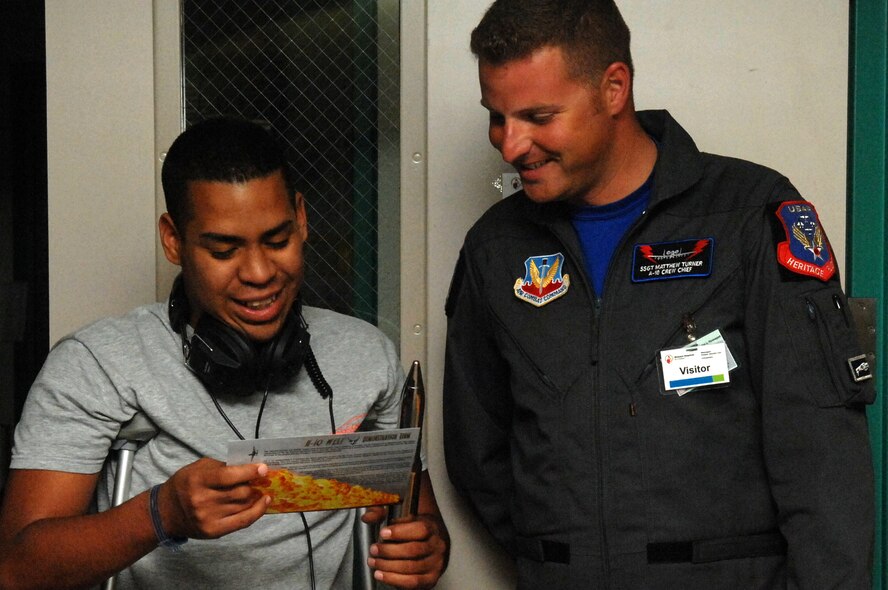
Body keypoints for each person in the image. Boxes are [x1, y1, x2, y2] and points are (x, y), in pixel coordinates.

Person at [443, 1, 874, 588]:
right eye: (497, 117)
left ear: (614, 87)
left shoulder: (749, 215)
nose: (512, 145)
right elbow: (480, 454)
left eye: (538, 116)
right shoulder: (495, 249)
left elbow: (822, 458)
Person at [0, 117, 449, 590]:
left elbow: (421, 521)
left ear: (301, 218)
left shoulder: (366, 355)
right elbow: (17, 570)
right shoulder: (95, 364)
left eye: (277, 241)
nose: (258, 273)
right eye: (224, 250)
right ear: (174, 240)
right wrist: (161, 513)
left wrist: (426, 548)